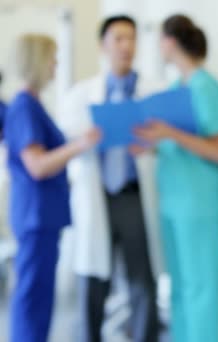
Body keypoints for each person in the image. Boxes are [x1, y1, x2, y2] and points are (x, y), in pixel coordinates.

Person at [56, 15, 162, 342]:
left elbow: (169, 142)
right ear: (103, 45)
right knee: (93, 285)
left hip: (134, 198)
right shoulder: (81, 94)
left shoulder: (151, 93)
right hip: (98, 196)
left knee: (142, 282)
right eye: (118, 39)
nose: (126, 46)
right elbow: (67, 142)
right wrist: (85, 140)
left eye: (131, 39)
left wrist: (152, 146)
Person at [134, 14, 218, 342]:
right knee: (177, 287)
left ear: (170, 42)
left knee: (199, 289)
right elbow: (177, 144)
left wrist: (170, 133)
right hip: (173, 200)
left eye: (159, 40)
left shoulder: (206, 87)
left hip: (197, 203)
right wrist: (151, 147)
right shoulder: (177, 89)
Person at [4, 34, 100, 342]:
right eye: (52, 59)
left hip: (42, 214)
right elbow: (37, 165)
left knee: (41, 296)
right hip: (35, 214)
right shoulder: (23, 107)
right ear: (36, 61)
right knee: (32, 297)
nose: (56, 66)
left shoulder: (32, 105)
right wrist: (80, 145)